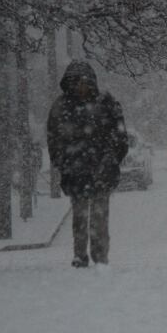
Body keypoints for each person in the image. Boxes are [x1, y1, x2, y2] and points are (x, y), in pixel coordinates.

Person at [46, 61, 128, 268]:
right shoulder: (63, 107)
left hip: (100, 171)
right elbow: (54, 140)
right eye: (76, 82)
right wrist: (63, 163)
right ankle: (80, 255)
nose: (80, 87)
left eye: (83, 82)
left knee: (98, 218)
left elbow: (120, 138)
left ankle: (99, 256)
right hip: (76, 172)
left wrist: (109, 160)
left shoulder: (105, 104)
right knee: (80, 217)